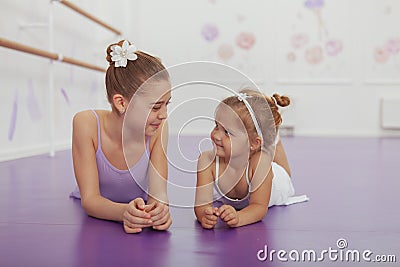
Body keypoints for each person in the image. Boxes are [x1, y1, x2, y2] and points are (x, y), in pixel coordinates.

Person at [70, 40, 172, 233]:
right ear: (121, 103)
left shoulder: (160, 128)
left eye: (168, 104)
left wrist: (159, 212)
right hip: (99, 216)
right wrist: (123, 212)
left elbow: (158, 194)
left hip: (139, 210)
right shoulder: (86, 124)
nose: (164, 114)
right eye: (156, 107)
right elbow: (90, 200)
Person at [194, 88, 308, 229]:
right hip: (253, 151)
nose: (216, 135)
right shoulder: (207, 160)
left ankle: (274, 140)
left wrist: (239, 217)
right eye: (216, 126)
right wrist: (204, 215)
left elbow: (259, 207)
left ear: (253, 144)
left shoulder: (261, 163)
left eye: (227, 132)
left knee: (284, 171)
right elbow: (201, 204)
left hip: (277, 183)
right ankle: (269, 138)